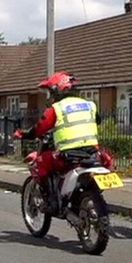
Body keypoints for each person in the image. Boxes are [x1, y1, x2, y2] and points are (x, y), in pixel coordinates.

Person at [18, 72, 101, 211]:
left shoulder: (57, 109)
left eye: (51, 92)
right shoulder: (90, 105)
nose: (51, 97)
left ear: (57, 90)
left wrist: (23, 134)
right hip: (92, 152)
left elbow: (39, 129)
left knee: (41, 162)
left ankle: (52, 202)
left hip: (69, 154)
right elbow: (97, 121)